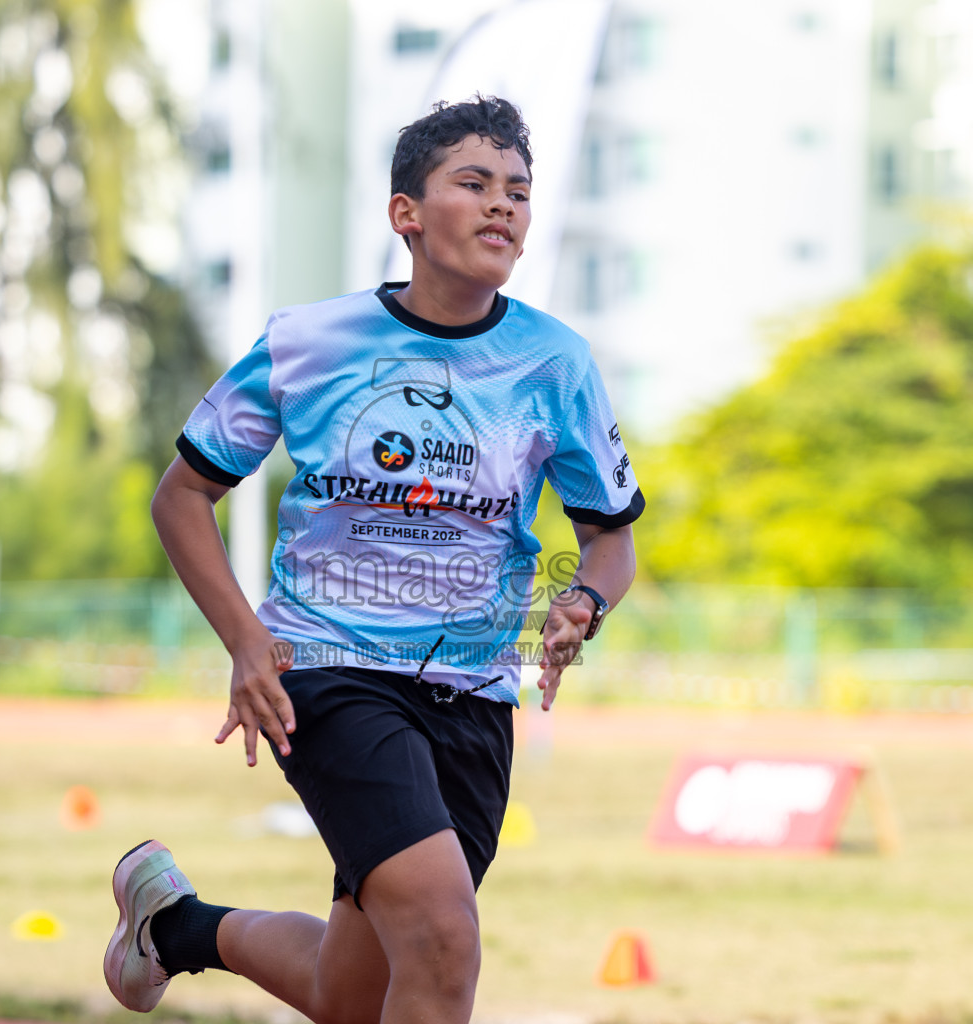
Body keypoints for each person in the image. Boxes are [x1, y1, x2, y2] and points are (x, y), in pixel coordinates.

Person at [104, 95, 643, 1024]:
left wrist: (586, 601)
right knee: (443, 935)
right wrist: (246, 643)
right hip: (328, 669)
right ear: (407, 213)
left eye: (517, 190)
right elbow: (181, 497)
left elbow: (613, 538)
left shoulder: (555, 363)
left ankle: (175, 927)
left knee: (356, 994)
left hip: (474, 695)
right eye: (472, 184)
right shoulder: (310, 342)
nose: (502, 207)